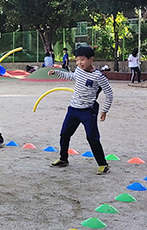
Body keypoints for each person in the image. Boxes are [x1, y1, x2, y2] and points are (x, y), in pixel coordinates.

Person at [47, 46, 114, 175]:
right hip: (73, 109)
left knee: (92, 137)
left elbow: (109, 93)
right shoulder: (78, 70)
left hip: (88, 111)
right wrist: (56, 72)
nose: (79, 63)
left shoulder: (98, 76)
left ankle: (103, 164)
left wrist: (105, 110)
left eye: (82, 60)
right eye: (77, 60)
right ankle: (63, 159)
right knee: (64, 134)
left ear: (91, 59)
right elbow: (72, 77)